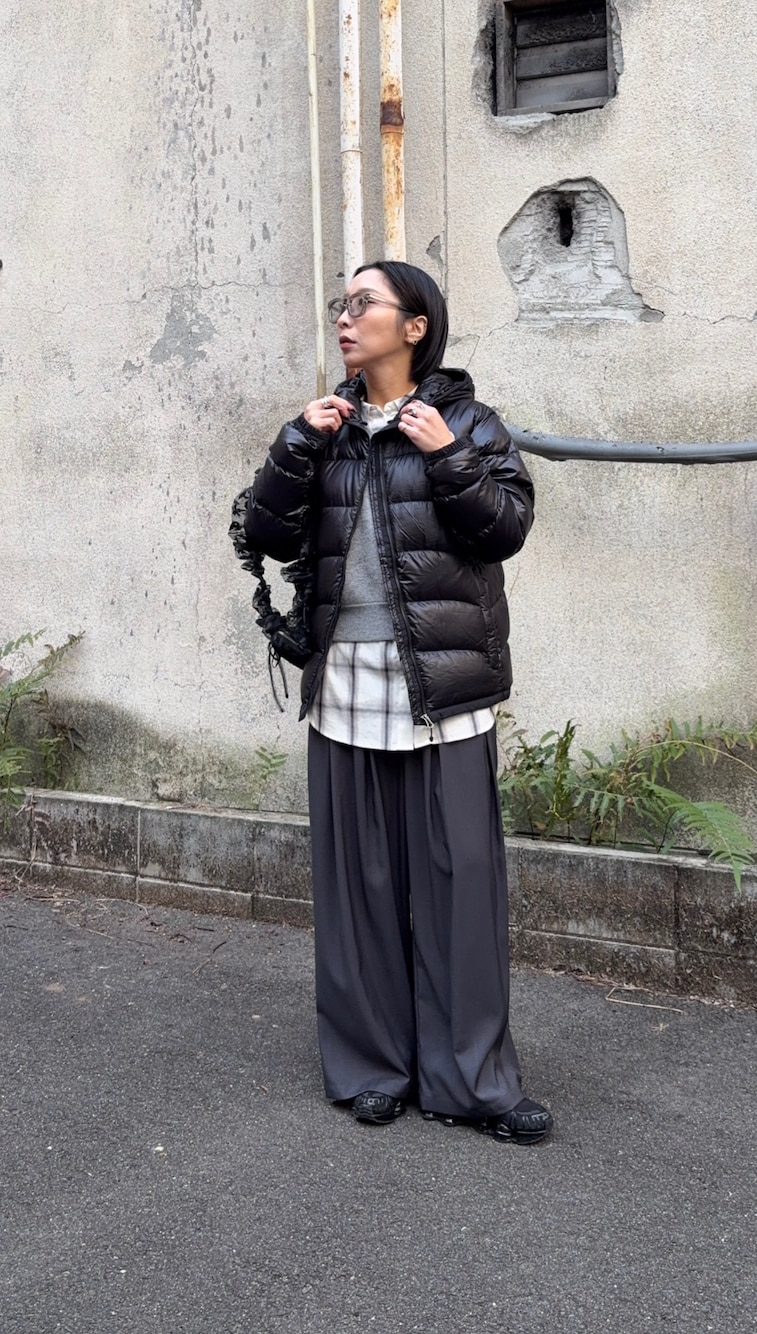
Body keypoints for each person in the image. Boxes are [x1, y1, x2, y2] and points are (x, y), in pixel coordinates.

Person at [241, 260, 552, 1145]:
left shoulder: (469, 422)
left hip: (442, 687)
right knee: (358, 889)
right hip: (345, 681)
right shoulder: (326, 429)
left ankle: (472, 1082)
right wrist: (296, 446)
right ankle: (370, 1068)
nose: (345, 317)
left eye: (364, 303)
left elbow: (505, 530)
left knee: (461, 890)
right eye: (341, 304)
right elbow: (265, 533)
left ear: (415, 326)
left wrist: (446, 455)